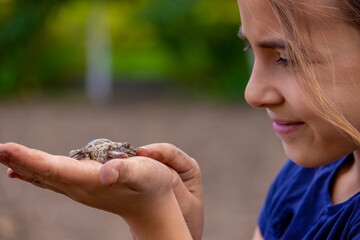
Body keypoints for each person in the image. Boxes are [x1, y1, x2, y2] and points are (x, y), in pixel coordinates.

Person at [0, 0, 359, 239]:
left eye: (285, 57)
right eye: (250, 49)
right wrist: (181, 226)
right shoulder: (299, 181)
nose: (252, 93)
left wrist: (153, 218)